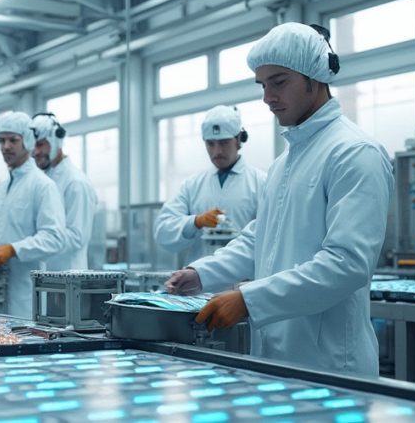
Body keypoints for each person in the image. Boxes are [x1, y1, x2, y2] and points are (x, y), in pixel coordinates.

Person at [165, 22, 394, 377]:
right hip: (276, 357)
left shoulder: (354, 153)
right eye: (263, 85)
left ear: (315, 76)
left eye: (279, 82)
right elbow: (260, 240)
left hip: (331, 364)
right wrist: (200, 273)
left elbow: (347, 264)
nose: (267, 97)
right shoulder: (286, 161)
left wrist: (249, 300)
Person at [0, 111, 66, 318]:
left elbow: (54, 238)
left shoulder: (42, 186)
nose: (6, 146)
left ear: (28, 141)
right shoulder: (1, 189)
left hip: (25, 298)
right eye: (2, 140)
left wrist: (14, 249)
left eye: (13, 140)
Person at [154, 105, 267, 265]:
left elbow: (272, 237)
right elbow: (162, 231)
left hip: (244, 283)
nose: (217, 151)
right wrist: (195, 222)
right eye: (210, 144)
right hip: (198, 283)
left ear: (239, 141)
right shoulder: (192, 185)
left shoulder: (261, 182)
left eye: (224, 142)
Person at [30, 112, 98, 271]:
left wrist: (33, 242)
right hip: (44, 277)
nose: (35, 152)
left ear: (56, 140)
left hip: (68, 280)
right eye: (32, 146)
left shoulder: (76, 183)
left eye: (40, 144)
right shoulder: (43, 179)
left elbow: (76, 237)